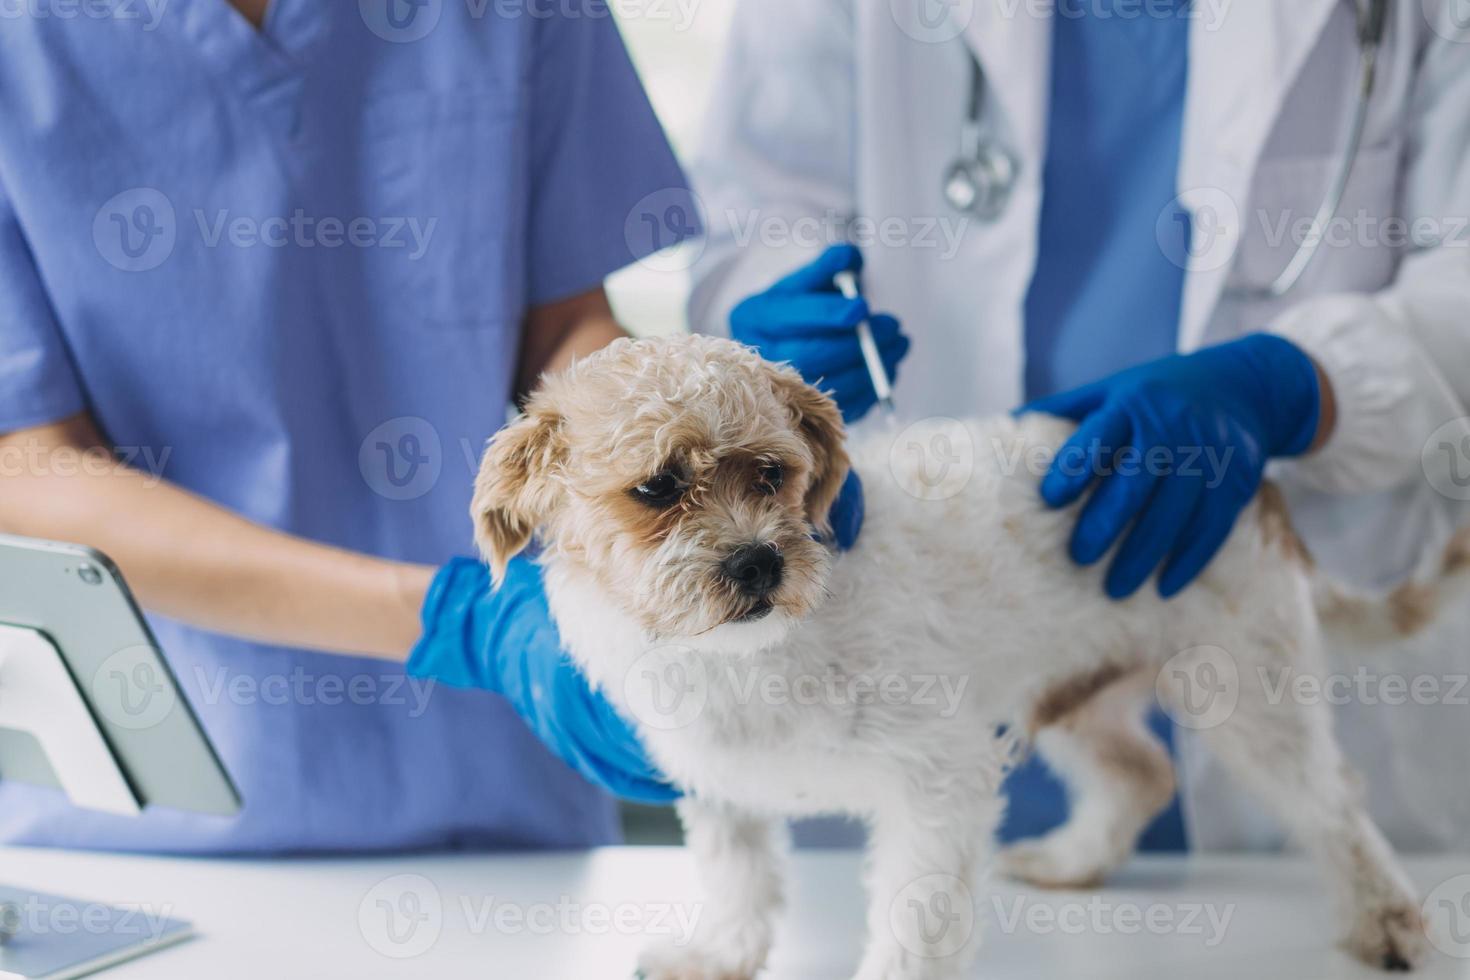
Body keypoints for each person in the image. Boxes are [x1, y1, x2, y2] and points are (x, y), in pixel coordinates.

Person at [689, 0, 1470, 851]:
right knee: (914, 896)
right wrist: (763, 324)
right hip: (902, 623)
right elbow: (756, 207)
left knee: (1303, 906)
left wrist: (1296, 384)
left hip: (1292, 581)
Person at [0, 1, 690, 852]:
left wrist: (695, 439)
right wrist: (454, 621)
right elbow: (29, 467)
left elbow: (561, 328)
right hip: (145, 830)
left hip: (501, 801)